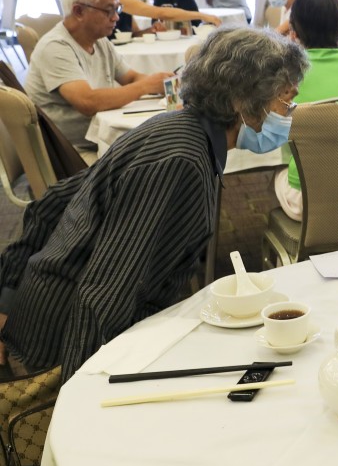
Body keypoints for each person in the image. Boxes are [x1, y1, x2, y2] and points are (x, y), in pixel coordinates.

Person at [0, 28, 308, 379]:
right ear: (244, 102)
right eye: (285, 101)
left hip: (58, 316)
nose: (289, 114)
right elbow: (104, 293)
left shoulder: (174, 127)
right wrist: (82, 396)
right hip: (60, 346)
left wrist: (5, 298)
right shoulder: (182, 162)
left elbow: (51, 203)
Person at [23, 0, 176, 161]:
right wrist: (146, 86)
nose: (116, 18)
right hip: (69, 153)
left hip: (96, 141)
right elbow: (87, 102)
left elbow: (130, 77)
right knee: (158, 162)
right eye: (108, 10)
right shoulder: (55, 47)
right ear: (79, 11)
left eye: (117, 9)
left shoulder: (99, 41)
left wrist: (162, 82)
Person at [274, 0, 338, 221]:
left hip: (308, 198)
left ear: (293, 32)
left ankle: (295, 249)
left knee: (277, 171)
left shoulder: (287, 71)